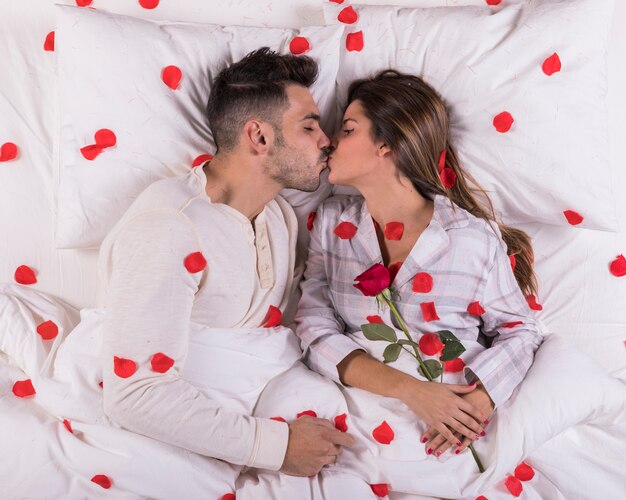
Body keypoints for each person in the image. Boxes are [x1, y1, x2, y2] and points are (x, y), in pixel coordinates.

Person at [98, 47, 354, 479]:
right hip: (158, 440)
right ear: (259, 137)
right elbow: (133, 395)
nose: (327, 140)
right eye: (309, 127)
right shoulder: (170, 225)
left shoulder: (279, 219)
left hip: (251, 407)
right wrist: (277, 447)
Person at [295, 69, 544, 460]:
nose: (329, 142)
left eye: (348, 129)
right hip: (363, 421)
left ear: (386, 145)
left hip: (454, 431)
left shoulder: (471, 238)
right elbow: (313, 327)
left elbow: (522, 330)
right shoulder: (331, 224)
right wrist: (411, 391)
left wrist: (482, 400)